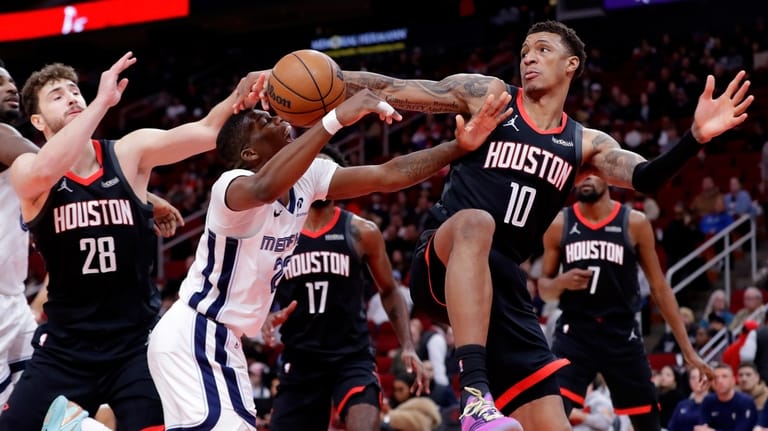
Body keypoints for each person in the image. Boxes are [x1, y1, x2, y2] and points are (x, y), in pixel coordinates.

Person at [240, 19, 753, 431]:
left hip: (502, 290)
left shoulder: (586, 144)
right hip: (442, 258)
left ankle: (489, 397)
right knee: (476, 222)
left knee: (551, 421)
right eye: (525, 50)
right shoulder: (490, 96)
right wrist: (308, 78)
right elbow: (396, 87)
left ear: (571, 64)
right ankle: (475, 394)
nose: (529, 57)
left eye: (543, 49)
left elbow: (645, 177)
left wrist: (694, 137)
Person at [147, 88, 514, 429]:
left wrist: (458, 147)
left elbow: (387, 175)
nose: (277, 118)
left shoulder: (309, 179)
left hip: (224, 341)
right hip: (196, 333)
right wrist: (335, 119)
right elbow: (265, 187)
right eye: (263, 121)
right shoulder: (231, 186)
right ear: (250, 154)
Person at [0, 52, 252, 431]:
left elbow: (205, 131)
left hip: (137, 343)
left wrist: (241, 94)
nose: (71, 98)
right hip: (66, 348)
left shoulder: (128, 152)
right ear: (37, 120)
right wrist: (101, 103)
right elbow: (44, 170)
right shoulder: (28, 169)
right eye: (57, 95)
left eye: (74, 91)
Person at [259, 145, 427, 431]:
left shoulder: (362, 232)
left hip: (351, 357)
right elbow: (254, 284)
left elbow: (389, 290)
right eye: (311, 171)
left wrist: (408, 346)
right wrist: (263, 315)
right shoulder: (279, 232)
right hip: (300, 359)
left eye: (326, 173)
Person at [537, 174, 713, 431]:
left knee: (648, 424)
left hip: (621, 333)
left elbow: (660, 288)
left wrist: (688, 349)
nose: (585, 179)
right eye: (580, 174)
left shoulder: (634, 222)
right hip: (575, 332)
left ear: (608, 176)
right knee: (549, 418)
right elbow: (544, 290)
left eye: (592, 173)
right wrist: (560, 282)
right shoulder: (559, 223)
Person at [695, 363, 757, 431]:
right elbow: (702, 427)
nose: (719, 381)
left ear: (733, 380)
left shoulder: (745, 402)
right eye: (715, 377)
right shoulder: (708, 400)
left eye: (724, 376)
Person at [667, 367, 711, 431]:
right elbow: (672, 427)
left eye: (700, 377)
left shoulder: (715, 403)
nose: (697, 380)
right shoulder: (682, 405)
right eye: (693, 377)